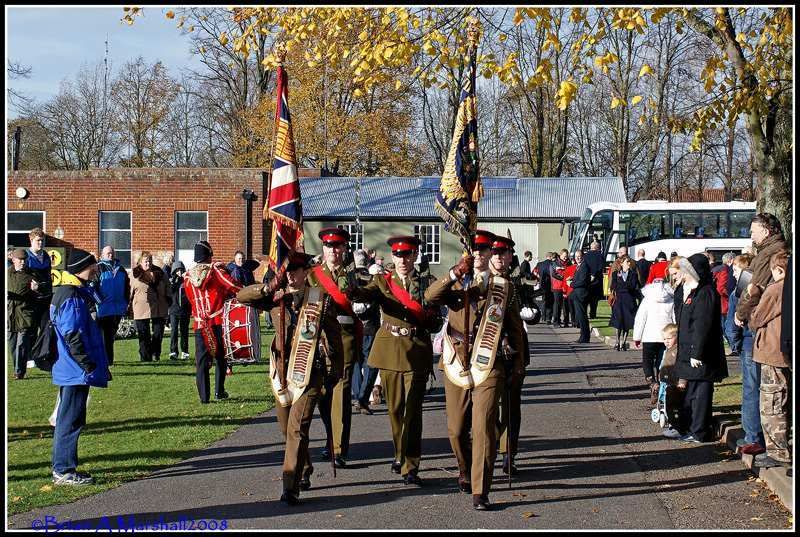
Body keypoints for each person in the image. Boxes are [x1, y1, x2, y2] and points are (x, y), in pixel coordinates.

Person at [425, 230, 526, 511]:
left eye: (485, 250)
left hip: (490, 362)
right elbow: (430, 296)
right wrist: (456, 272)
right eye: (476, 249)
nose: (480, 254)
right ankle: (465, 467)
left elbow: (515, 328)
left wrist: (518, 365)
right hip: (457, 360)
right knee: (456, 430)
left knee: (483, 426)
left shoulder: (501, 287)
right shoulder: (456, 282)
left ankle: (481, 490)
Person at [237, 251, 343, 505]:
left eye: (296, 271)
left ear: (306, 272)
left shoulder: (319, 299)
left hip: (310, 372)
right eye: (288, 272)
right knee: (286, 429)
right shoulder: (275, 297)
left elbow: (335, 337)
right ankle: (303, 468)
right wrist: (269, 286)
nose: (292, 276)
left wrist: (334, 372)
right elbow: (242, 296)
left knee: (297, 427)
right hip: (282, 373)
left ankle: (290, 486)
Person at [347, 235, 438, 486]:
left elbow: (436, 314)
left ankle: (411, 465)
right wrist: (352, 288)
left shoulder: (426, 282)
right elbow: (363, 294)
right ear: (392, 257)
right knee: (395, 410)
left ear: (415, 255)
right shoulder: (382, 281)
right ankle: (399, 453)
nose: (403, 260)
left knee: (413, 411)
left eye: (408, 254)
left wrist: (432, 318)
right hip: (389, 350)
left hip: (417, 349)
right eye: (398, 255)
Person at [50, 248, 110, 485]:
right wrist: (87, 364)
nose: (96, 269)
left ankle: (65, 467)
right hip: (75, 370)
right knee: (70, 420)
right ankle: (63, 470)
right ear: (81, 269)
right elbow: (72, 334)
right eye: (92, 266)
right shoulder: (71, 297)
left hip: (71, 368)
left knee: (70, 418)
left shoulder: (71, 292)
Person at [733, 213, 786, 454]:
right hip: (757, 326)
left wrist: (742, 314)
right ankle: (755, 436)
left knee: (759, 387)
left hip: (759, 329)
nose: (750, 235)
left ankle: (755, 438)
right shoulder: (767, 252)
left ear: (766, 231)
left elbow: (753, 289)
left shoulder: (771, 254)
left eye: (754, 230)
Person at [308, 228, 360, 468]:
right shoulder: (313, 276)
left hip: (344, 340)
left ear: (344, 249)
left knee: (340, 393)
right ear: (323, 249)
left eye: (338, 246)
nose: (333, 251)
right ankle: (331, 439)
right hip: (319, 343)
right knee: (323, 396)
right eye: (329, 246)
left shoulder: (354, 277)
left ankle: (338, 448)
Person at [673, 254, 727, 443]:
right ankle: (691, 428)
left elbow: (702, 326)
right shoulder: (694, 291)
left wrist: (697, 352)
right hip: (690, 350)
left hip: (702, 354)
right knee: (691, 394)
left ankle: (700, 431)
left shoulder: (705, 293)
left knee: (701, 395)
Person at [184, 240, 242, 403]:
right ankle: (219, 391)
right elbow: (233, 286)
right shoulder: (215, 272)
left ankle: (204, 397)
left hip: (199, 324)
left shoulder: (187, 277)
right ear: (209, 255)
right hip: (217, 321)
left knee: (201, 361)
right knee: (221, 358)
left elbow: (190, 299)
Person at [490, 235, 529, 477]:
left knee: (512, 408)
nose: (499, 257)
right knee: (488, 407)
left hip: (514, 351)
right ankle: (491, 448)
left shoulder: (516, 284)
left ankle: (508, 454)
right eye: (495, 253)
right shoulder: (480, 281)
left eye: (504, 253)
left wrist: (531, 314)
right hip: (486, 352)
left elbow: (528, 313)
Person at [748, 250, 791, 468]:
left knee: (772, 403)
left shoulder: (777, 289)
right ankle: (784, 446)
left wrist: (755, 295)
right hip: (783, 351)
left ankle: (777, 451)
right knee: (784, 400)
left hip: (772, 352)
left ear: (778, 269)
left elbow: (756, 319)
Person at [633, 279, 675, 404]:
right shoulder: (670, 299)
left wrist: (637, 337)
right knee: (662, 362)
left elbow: (640, 319)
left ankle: (652, 382)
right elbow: (675, 318)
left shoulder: (647, 299)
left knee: (647, 361)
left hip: (649, 336)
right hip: (666, 336)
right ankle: (662, 383)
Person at [351, 250, 381, 416]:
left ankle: (358, 395)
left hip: (356, 326)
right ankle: (362, 398)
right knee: (370, 363)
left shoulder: (349, 279)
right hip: (369, 326)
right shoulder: (372, 280)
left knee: (357, 361)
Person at [129, 252, 170, 362]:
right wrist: (128, 306)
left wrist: (168, 300)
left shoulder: (160, 273)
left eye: (150, 261)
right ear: (140, 262)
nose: (148, 263)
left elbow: (168, 288)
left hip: (159, 307)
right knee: (144, 335)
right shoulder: (134, 274)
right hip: (140, 308)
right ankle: (145, 357)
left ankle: (156, 354)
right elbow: (129, 292)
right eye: (146, 261)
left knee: (158, 333)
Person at [94, 246, 131, 367]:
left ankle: (105, 359)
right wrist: (99, 301)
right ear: (102, 255)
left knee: (111, 336)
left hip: (118, 308)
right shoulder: (99, 268)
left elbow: (127, 288)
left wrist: (126, 302)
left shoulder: (121, 269)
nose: (111, 255)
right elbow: (93, 288)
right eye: (108, 253)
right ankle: (107, 361)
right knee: (106, 336)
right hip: (103, 309)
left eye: (112, 253)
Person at [8, 248, 38, 379]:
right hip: (10, 314)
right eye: (20, 260)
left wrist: (36, 290)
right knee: (12, 344)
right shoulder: (7, 273)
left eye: (24, 260)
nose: (22, 262)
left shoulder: (31, 275)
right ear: (13, 259)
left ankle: (19, 372)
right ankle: (18, 368)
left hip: (25, 314)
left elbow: (40, 293)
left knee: (22, 344)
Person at [655, 323, 686, 439]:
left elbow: (681, 367)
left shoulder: (677, 351)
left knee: (674, 406)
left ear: (676, 337)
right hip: (666, 382)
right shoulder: (668, 350)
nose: (666, 341)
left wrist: (681, 380)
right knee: (666, 402)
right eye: (664, 339)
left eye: (669, 338)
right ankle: (672, 423)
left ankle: (677, 427)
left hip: (675, 383)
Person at [25, 227, 53, 341]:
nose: (41, 243)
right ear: (31, 241)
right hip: (32, 300)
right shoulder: (26, 257)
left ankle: (42, 356)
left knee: (46, 329)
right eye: (38, 240)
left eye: (42, 240)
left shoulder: (46, 255)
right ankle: (30, 358)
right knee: (31, 330)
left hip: (46, 298)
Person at [609, 255, 640, 351]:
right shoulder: (615, 274)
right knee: (618, 321)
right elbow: (614, 285)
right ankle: (617, 342)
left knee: (627, 322)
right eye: (627, 262)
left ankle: (623, 342)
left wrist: (623, 285)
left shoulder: (633, 274)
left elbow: (633, 286)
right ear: (622, 263)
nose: (629, 263)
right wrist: (624, 285)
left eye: (629, 262)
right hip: (619, 300)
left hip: (629, 300)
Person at [168, 261, 191, 360]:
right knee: (174, 331)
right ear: (174, 271)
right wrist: (173, 281)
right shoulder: (172, 281)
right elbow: (169, 292)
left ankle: (184, 351)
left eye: (181, 270)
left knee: (184, 331)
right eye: (177, 270)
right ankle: (173, 351)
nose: (179, 272)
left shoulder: (186, 281)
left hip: (185, 310)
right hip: (174, 310)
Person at [708, 252, 731, 350]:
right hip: (723, 303)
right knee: (725, 327)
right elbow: (721, 288)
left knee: (722, 327)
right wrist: (729, 295)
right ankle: (729, 346)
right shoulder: (725, 270)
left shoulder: (715, 269)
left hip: (718, 303)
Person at [570, 248, 592, 344]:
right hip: (578, 294)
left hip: (581, 295)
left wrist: (571, 284)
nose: (578, 258)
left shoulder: (584, 266)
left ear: (583, 257)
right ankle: (583, 336)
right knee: (580, 316)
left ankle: (584, 337)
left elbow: (583, 281)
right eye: (576, 257)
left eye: (579, 256)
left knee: (582, 316)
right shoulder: (579, 266)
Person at [550, 249, 571, 327]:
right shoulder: (555, 263)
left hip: (566, 286)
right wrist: (563, 277)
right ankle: (556, 322)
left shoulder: (569, 263)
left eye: (567, 256)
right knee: (557, 304)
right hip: (557, 286)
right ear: (561, 255)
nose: (566, 258)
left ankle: (566, 321)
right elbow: (553, 274)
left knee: (566, 305)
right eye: (564, 256)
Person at [584, 242, 605, 319]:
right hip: (597, 281)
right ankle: (593, 314)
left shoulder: (585, 256)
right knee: (594, 300)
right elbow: (601, 268)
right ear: (598, 248)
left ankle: (585, 314)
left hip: (587, 280)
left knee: (586, 299)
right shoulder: (600, 256)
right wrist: (595, 275)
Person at [533, 252, 554, 324]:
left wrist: (538, 278)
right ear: (551, 257)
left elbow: (534, 272)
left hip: (542, 285)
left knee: (544, 300)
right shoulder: (552, 264)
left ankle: (543, 317)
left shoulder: (540, 264)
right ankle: (548, 318)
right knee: (550, 301)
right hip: (551, 285)